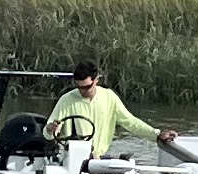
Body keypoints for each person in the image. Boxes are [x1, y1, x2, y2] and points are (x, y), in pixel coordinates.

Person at [43, 63, 173, 167]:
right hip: (71, 158)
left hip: (97, 160)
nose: (83, 91)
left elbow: (131, 122)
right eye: (79, 87)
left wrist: (156, 134)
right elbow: (48, 133)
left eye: (87, 87)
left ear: (96, 80)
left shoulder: (109, 97)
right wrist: (51, 129)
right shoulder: (66, 100)